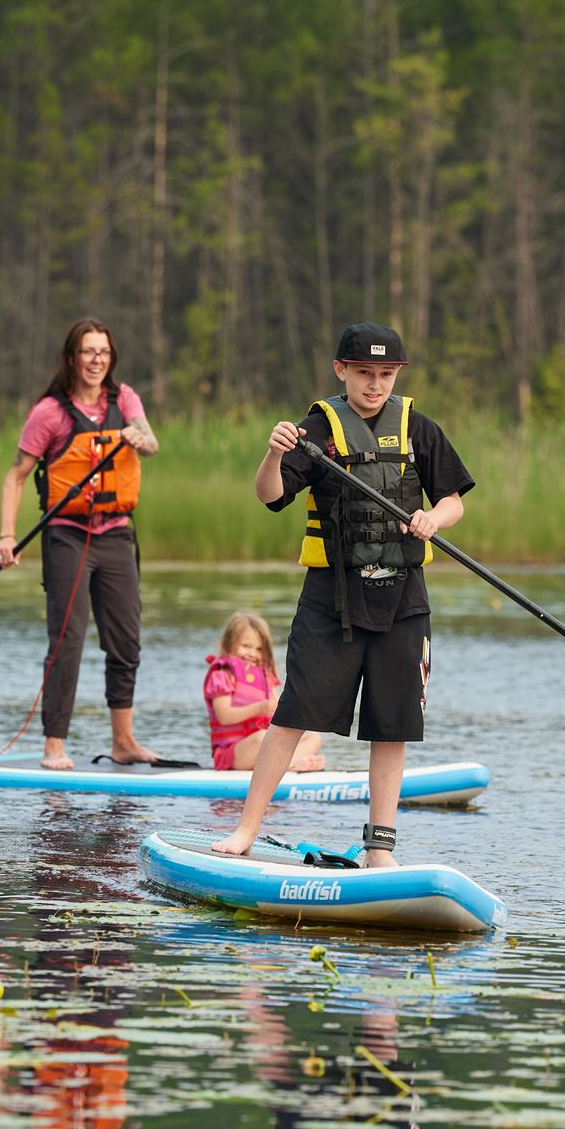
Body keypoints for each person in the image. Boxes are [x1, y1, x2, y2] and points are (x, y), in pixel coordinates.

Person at [211, 322, 472, 866]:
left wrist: (433, 518)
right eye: (363, 374)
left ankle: (380, 850)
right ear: (341, 371)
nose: (374, 385)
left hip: (403, 598)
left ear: (396, 375)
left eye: (384, 375)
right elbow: (271, 494)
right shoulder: (316, 431)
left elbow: (454, 500)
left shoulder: (418, 429)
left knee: (391, 723)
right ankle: (246, 831)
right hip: (332, 598)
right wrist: (271, 454)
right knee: (293, 713)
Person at [0, 318, 160, 771]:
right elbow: (15, 476)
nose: (96, 360)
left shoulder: (124, 399)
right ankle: (54, 744)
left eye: (103, 352)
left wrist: (135, 435)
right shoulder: (48, 412)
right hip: (67, 535)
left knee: (126, 642)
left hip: (117, 534)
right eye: (88, 352)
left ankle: (123, 741)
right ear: (72, 357)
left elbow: (151, 444)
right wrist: (8, 536)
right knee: (67, 640)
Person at [204, 613, 326, 772]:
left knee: (313, 737)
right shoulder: (222, 675)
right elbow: (224, 716)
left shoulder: (266, 677)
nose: (253, 654)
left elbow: (277, 713)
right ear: (229, 643)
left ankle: (291, 761)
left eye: (259, 649)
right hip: (233, 753)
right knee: (262, 737)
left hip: (264, 745)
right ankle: (290, 764)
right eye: (246, 646)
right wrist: (259, 708)